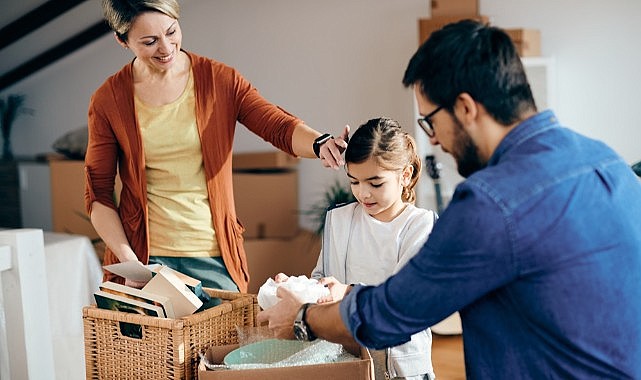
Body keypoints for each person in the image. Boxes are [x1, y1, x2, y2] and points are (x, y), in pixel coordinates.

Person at [257, 19, 641, 378]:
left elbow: (394, 312)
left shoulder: (492, 203)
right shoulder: (608, 162)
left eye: (430, 122)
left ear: (465, 108)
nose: (434, 139)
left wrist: (303, 316)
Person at [84, 0, 348, 301]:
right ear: (122, 40)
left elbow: (277, 125)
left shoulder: (220, 81)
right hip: (146, 262)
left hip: (215, 257)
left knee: (224, 348)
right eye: (149, 41)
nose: (166, 47)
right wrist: (130, 262)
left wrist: (319, 142)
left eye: (172, 32)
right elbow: (98, 193)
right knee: (151, 351)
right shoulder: (108, 100)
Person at [280, 117, 437, 379]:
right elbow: (321, 280)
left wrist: (346, 292)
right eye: (354, 182)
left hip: (400, 368)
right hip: (345, 360)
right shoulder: (340, 221)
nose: (363, 193)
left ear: (405, 176)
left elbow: (404, 301)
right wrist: (298, 287)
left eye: (375, 183)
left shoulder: (420, 226)